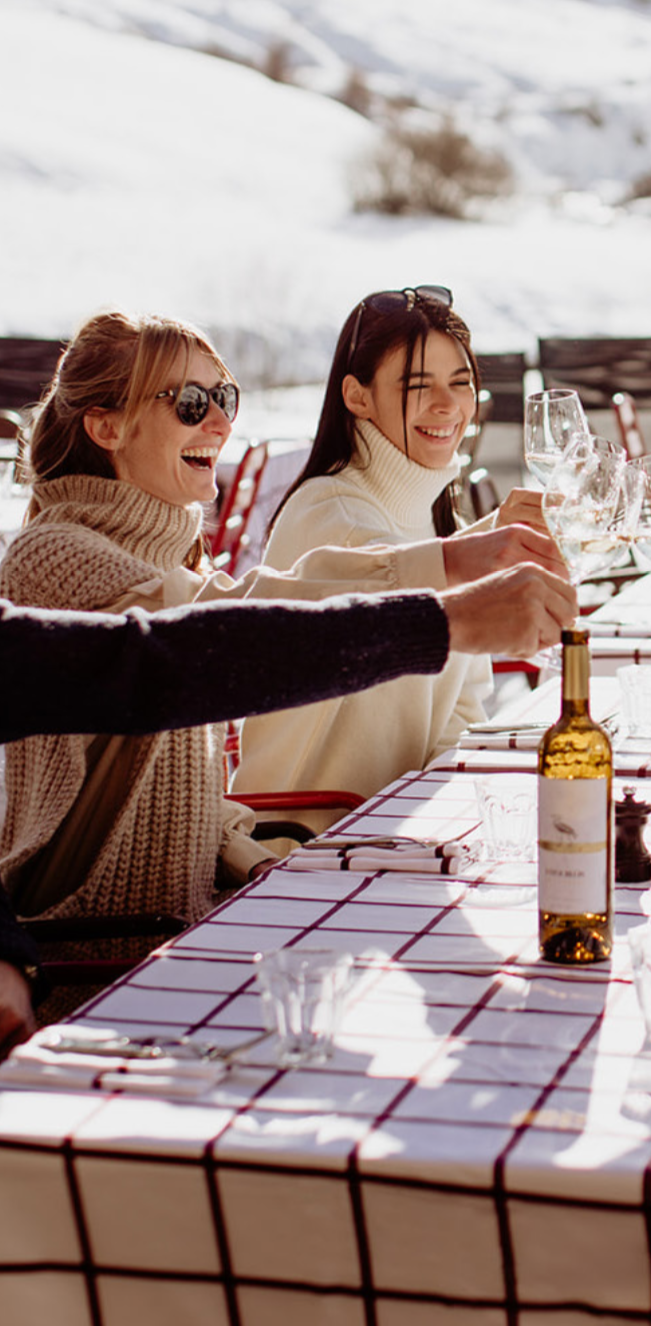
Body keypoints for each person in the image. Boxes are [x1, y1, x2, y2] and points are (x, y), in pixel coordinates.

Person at [0, 309, 566, 945]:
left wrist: (254, 860)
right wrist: (450, 575)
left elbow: (180, 800)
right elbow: (220, 629)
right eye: (190, 402)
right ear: (106, 426)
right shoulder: (50, 557)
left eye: (224, 397)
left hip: (193, 924)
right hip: (97, 959)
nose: (220, 422)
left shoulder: (165, 555)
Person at [0, 562, 576, 1053]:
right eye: (196, 417)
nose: (222, 429)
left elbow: (159, 663)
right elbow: (165, 663)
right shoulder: (62, 559)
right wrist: (442, 615)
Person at [232, 286, 524, 813]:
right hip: (304, 840)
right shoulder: (332, 512)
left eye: (461, 384)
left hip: (396, 829)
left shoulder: (436, 517)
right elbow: (387, 583)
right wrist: (485, 548)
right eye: (418, 386)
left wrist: (447, 800)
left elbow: (465, 701)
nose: (447, 406)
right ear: (357, 396)